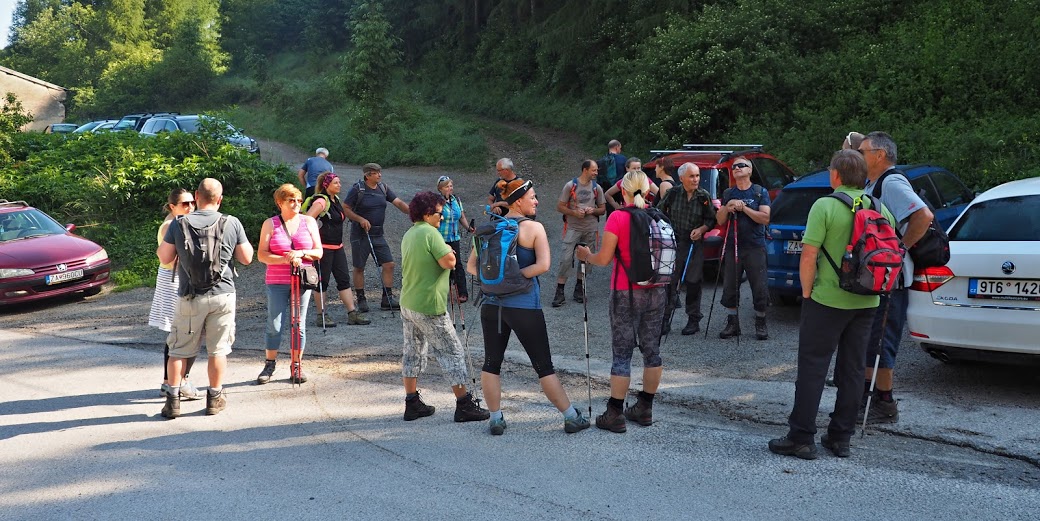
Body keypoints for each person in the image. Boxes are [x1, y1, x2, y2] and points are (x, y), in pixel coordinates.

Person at [768, 149, 897, 459]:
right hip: (867, 299)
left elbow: (809, 254)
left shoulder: (825, 205)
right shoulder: (880, 208)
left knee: (812, 367)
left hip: (827, 299)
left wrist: (806, 292)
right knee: (853, 370)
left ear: (836, 175)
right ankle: (841, 437)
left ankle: (801, 437)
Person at [467, 178, 591, 436]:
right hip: (524, 306)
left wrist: (499, 282)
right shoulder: (534, 228)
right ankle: (571, 417)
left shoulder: (489, 227)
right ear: (518, 201)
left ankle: (495, 419)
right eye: (532, 197)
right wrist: (517, 277)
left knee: (491, 363)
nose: (536, 201)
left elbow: (471, 267)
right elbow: (543, 265)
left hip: (491, 306)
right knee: (543, 366)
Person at [576, 170, 668, 433]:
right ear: (648, 191)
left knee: (622, 352)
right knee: (652, 351)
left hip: (625, 292)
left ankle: (615, 413)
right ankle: (645, 407)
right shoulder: (659, 216)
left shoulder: (618, 217)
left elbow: (604, 259)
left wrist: (586, 255)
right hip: (657, 290)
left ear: (623, 191)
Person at [158, 178, 254, 418]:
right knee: (218, 350)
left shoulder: (178, 223)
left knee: (179, 349)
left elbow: (164, 258)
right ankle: (214, 398)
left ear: (196, 196)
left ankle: (173, 402)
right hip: (223, 294)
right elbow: (246, 258)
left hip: (189, 296)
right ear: (220, 199)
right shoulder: (231, 222)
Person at [859, 131, 934, 424]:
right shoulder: (873, 182)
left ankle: (884, 403)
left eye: (863, 152)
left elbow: (923, 216)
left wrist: (899, 249)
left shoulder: (891, 182)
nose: (859, 156)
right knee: (871, 341)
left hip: (892, 279)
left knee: (881, 342)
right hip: (880, 277)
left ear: (879, 155)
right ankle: (867, 398)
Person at [399, 191, 490, 423]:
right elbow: (449, 262)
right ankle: (464, 405)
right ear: (427, 214)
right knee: (452, 351)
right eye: (439, 213)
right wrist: (450, 251)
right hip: (429, 304)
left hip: (409, 301)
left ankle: (411, 402)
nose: (442, 217)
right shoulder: (431, 233)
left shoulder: (410, 233)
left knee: (412, 351)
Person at [256, 184, 323, 385]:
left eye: (299, 200)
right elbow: (262, 255)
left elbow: (318, 252)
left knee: (298, 324)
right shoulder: (270, 224)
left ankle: (296, 365)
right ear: (280, 202)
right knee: (274, 324)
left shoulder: (308, 221)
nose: (296, 204)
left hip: (302, 281)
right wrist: (285, 258)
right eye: (291, 200)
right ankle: (270, 364)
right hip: (277, 281)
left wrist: (301, 253)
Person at [149, 188, 201, 401]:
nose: (190, 207)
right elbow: (169, 260)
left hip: (180, 278)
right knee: (181, 333)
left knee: (182, 333)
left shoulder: (181, 223)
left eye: (192, 203)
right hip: (174, 280)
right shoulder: (169, 225)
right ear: (172, 206)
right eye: (184, 204)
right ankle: (177, 382)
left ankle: (171, 381)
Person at [656, 162, 717, 335]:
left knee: (693, 282)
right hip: (674, 242)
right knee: (670, 281)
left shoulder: (703, 196)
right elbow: (659, 212)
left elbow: (711, 219)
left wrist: (702, 230)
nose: (696, 179)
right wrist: (665, 230)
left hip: (694, 244)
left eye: (697, 176)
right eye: (692, 176)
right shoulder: (673, 193)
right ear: (682, 178)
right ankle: (664, 319)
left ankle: (693, 319)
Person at [715, 156, 772, 340]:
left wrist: (744, 209)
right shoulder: (728, 193)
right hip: (733, 245)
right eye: (734, 167)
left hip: (755, 246)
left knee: (759, 285)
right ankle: (733, 323)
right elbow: (720, 220)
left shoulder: (759, 192)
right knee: (730, 285)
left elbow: (765, 218)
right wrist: (728, 207)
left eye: (741, 165)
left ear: (750, 170)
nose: (737, 168)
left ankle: (761, 323)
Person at [304, 172, 370, 327]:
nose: (339, 185)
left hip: (337, 247)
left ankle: (352, 313)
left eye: (339, 182)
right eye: (335, 183)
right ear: (326, 185)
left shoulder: (336, 200)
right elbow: (307, 219)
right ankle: (321, 316)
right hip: (323, 249)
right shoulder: (321, 201)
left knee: (343, 280)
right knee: (322, 282)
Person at [343, 163, 410, 312]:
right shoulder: (357, 189)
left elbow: (398, 202)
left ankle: (387, 298)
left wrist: (413, 211)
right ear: (367, 175)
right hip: (360, 234)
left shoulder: (383, 188)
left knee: (389, 264)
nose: (379, 175)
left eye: (380, 172)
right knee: (359, 267)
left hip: (378, 234)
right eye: (376, 173)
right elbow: (345, 208)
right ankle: (361, 298)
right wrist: (360, 219)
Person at [551, 159, 606, 307]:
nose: (596, 173)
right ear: (585, 170)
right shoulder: (570, 186)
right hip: (573, 228)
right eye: (594, 170)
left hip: (590, 228)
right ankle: (560, 291)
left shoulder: (597, 188)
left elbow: (602, 209)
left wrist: (593, 210)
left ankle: (579, 289)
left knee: (587, 259)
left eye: (597, 170)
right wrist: (574, 213)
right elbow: (560, 206)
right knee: (566, 258)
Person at [436, 175, 475, 303]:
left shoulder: (456, 200)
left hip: (454, 237)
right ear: (440, 189)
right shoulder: (436, 201)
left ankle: (462, 292)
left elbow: (461, 217)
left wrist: (468, 227)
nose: (450, 188)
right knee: (442, 265)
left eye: (451, 186)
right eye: (447, 186)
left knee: (457, 264)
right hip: (441, 238)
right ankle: (441, 291)